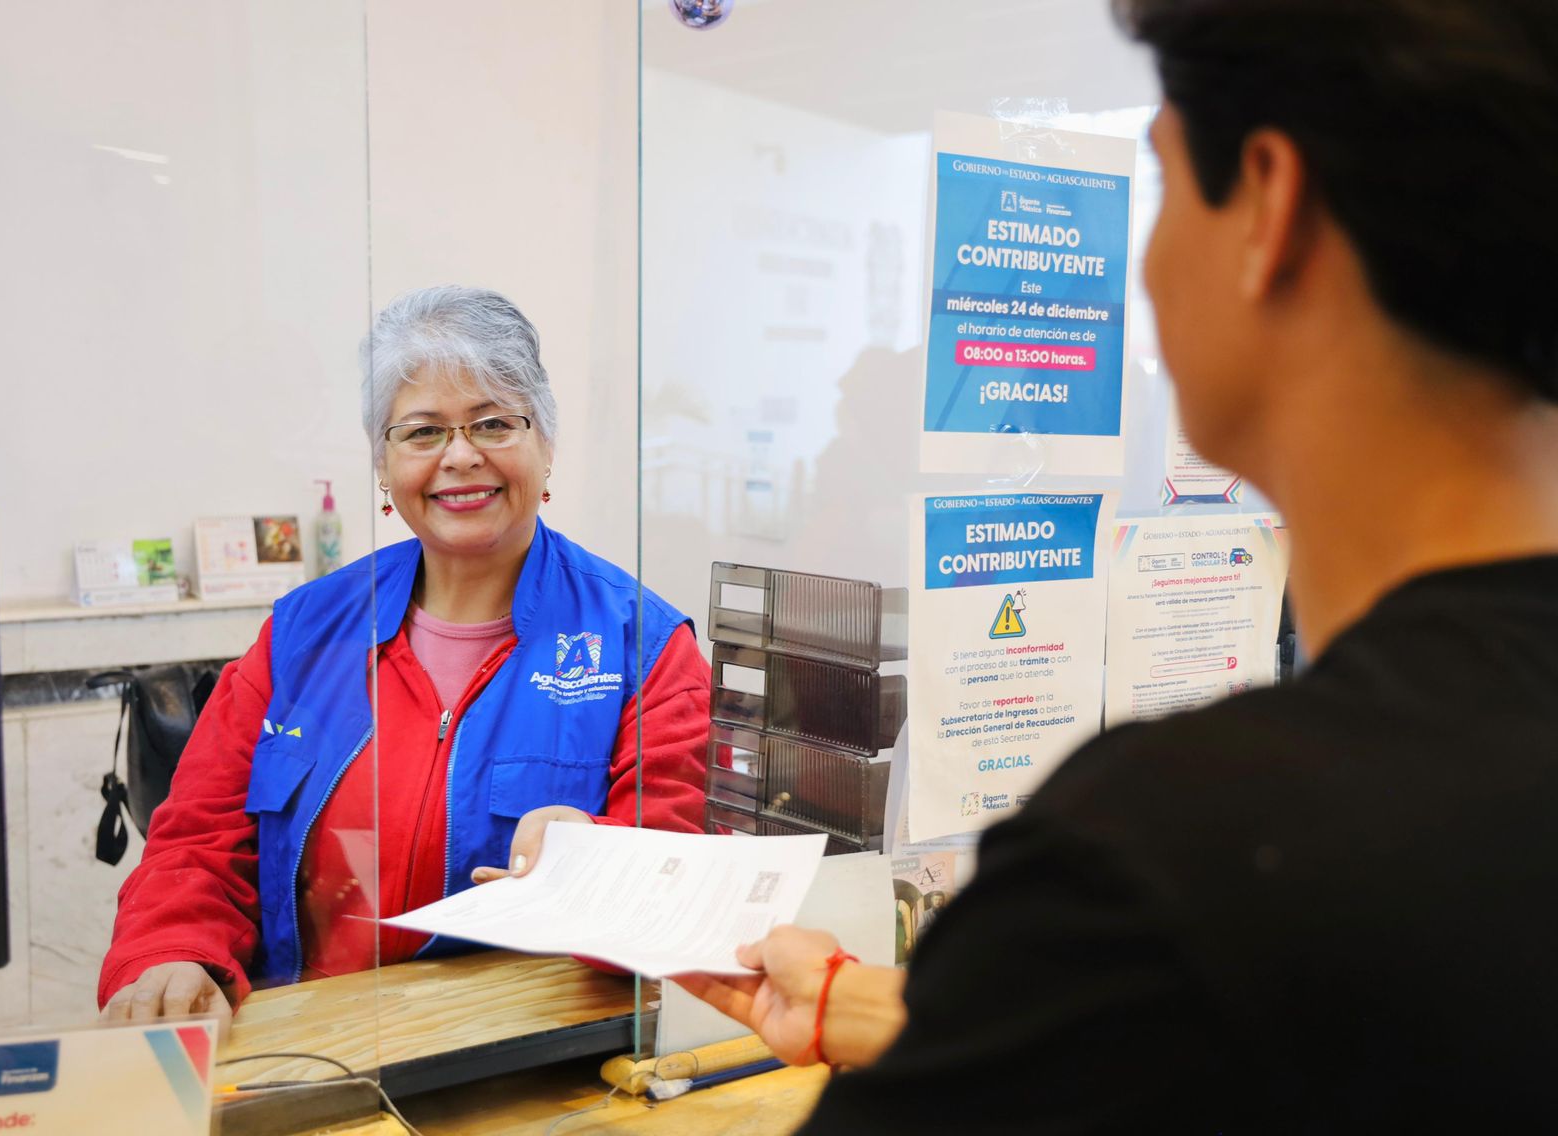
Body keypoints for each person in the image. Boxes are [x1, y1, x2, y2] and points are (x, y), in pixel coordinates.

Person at [677, 0, 1558, 1129]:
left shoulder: (1173, 854)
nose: (1141, 272)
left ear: (1267, 209)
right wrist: (900, 1008)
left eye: (1160, 185)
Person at [100, 286, 710, 1032]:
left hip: (532, 1062)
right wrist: (172, 951)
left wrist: (594, 863)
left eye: (493, 422)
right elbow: (198, 840)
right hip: (311, 1047)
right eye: (421, 433)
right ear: (384, 465)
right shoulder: (304, 632)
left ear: (545, 445)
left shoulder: (642, 645)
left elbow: (685, 882)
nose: (460, 456)